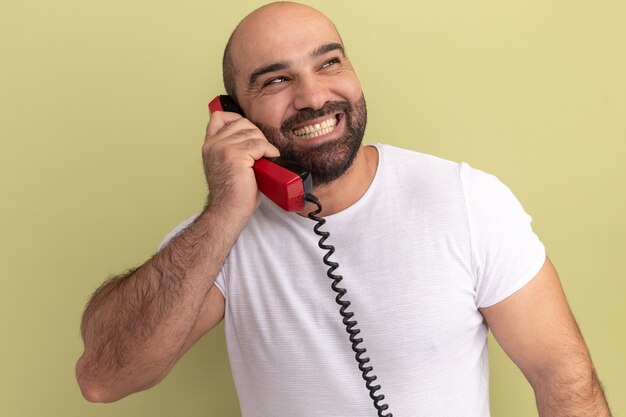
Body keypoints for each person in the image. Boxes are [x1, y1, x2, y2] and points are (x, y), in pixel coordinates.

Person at [76, 2, 612, 416]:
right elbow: (104, 376)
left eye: (328, 62)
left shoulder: (465, 200)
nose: (313, 97)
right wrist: (222, 212)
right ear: (234, 115)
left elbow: (563, 378)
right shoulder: (217, 238)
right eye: (277, 79)